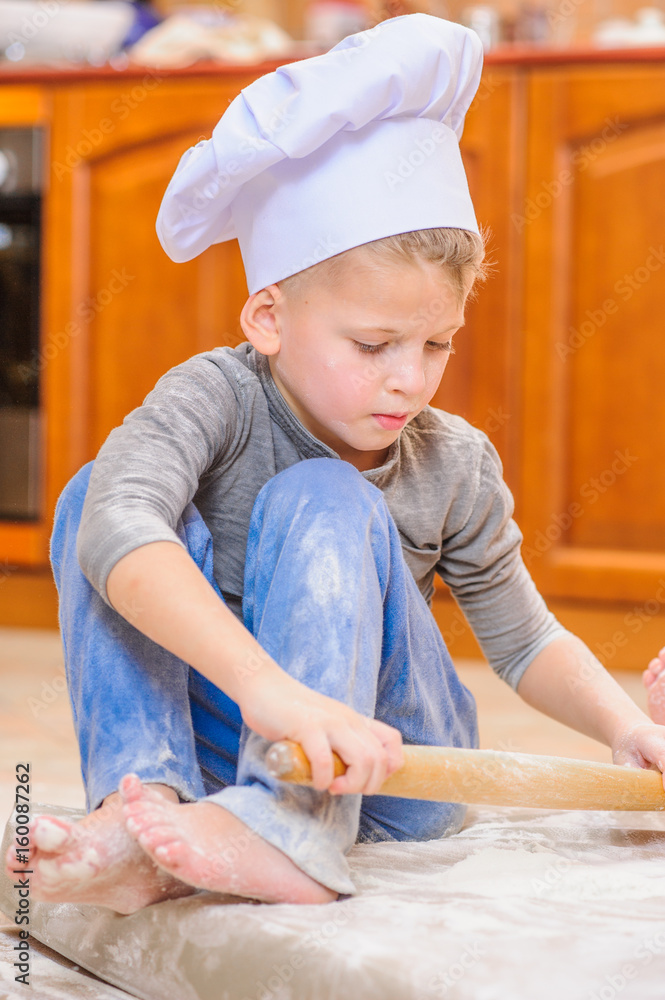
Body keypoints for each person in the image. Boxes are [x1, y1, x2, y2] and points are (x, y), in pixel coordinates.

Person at [7, 14, 665, 914]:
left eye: (437, 342)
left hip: (397, 774)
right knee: (93, 498)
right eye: (372, 343)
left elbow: (524, 639)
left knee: (323, 490)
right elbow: (121, 523)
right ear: (266, 319)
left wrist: (626, 727)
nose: (409, 380)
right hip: (239, 745)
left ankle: (293, 828)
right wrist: (271, 696)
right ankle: (146, 814)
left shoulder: (452, 462)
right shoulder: (214, 399)